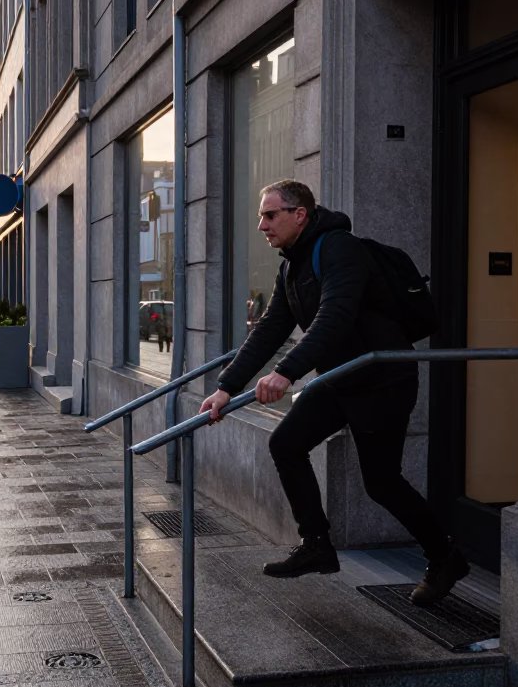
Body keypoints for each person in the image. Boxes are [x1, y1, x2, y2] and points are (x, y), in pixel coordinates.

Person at [198, 179, 467, 607]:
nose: (262, 226)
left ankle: (445, 556)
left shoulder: (339, 249)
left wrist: (285, 374)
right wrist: (226, 388)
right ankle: (317, 545)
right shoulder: (292, 265)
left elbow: (335, 316)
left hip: (382, 381)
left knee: (381, 483)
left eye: (270, 215)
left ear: (298, 214)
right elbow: (269, 330)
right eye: (260, 217)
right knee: (286, 443)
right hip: (341, 378)